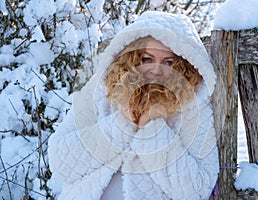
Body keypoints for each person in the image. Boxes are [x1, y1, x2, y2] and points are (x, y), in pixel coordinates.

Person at [48, 11, 219, 200]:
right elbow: (60, 163)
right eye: (147, 59)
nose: (156, 70)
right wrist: (123, 122)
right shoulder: (101, 89)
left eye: (168, 62)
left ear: (182, 65)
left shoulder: (193, 104)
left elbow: (196, 190)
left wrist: (151, 128)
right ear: (134, 57)